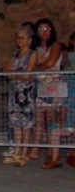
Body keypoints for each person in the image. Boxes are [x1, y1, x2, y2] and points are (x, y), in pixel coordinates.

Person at [32, 18, 65, 169]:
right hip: (41, 85)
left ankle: (54, 155)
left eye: (47, 29)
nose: (44, 33)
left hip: (52, 85)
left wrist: (33, 68)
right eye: (41, 29)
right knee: (40, 121)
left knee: (52, 120)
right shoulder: (36, 48)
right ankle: (48, 151)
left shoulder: (55, 45)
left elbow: (51, 63)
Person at [2, 26, 37, 166]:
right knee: (16, 123)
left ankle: (24, 152)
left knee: (26, 123)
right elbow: (6, 69)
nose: (19, 40)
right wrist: (16, 73)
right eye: (18, 37)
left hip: (25, 93)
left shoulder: (32, 54)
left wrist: (13, 73)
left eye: (22, 37)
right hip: (14, 92)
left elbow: (28, 74)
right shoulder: (16, 54)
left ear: (29, 40)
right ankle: (16, 151)